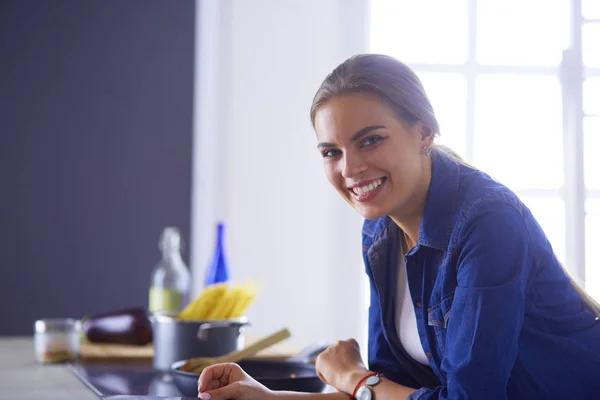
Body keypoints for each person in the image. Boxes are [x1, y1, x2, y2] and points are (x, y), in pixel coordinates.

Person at [196, 54, 600, 400]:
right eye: (332, 152)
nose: (350, 169)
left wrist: (353, 376)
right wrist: (268, 396)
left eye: (370, 140)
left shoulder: (488, 222)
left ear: (424, 132)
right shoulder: (379, 232)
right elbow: (391, 389)